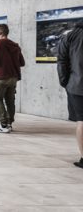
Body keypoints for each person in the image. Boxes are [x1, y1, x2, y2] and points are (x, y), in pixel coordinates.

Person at [0, 23, 25, 134]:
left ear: (0, 32)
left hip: (0, 76)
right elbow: (22, 62)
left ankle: (3, 124)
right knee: (10, 100)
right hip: (13, 77)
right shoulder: (15, 45)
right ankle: (9, 124)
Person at [57, 17, 83, 168]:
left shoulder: (71, 36)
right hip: (76, 84)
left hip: (77, 85)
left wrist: (65, 82)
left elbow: (62, 61)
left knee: (82, 120)